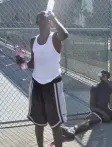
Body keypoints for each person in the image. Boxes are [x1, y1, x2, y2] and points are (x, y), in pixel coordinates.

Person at [16, 11, 69, 147]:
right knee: (38, 124)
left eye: (47, 18)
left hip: (53, 85)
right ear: (38, 22)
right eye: (41, 18)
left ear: (50, 22)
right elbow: (34, 62)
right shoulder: (33, 40)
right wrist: (23, 63)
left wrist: (55, 18)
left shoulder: (55, 37)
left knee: (55, 125)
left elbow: (65, 35)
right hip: (36, 85)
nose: (45, 19)